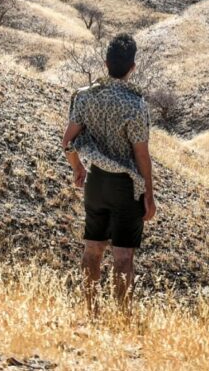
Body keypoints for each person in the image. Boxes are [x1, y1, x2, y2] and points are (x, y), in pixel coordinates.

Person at [61, 33, 156, 312]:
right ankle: (123, 317)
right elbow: (141, 154)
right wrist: (149, 194)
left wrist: (78, 167)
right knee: (123, 255)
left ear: (105, 63)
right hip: (126, 187)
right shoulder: (135, 105)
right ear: (132, 67)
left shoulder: (84, 97)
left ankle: (91, 310)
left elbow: (67, 141)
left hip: (95, 181)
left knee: (92, 249)